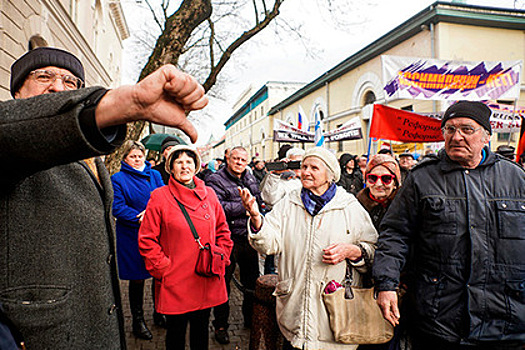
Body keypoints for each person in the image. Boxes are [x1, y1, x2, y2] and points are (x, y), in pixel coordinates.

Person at [0, 46, 207, 349]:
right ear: (17, 94)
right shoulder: (11, 149)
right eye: (43, 76)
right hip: (39, 336)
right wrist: (124, 103)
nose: (58, 87)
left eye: (71, 83)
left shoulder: (93, 161)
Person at [373, 101, 525, 350]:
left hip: (507, 322)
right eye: (450, 129)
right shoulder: (422, 178)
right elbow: (395, 235)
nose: (456, 137)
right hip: (439, 320)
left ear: (486, 136)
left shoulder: (516, 178)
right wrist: (386, 284)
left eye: (467, 129)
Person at [239, 147, 377, 350]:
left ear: (330, 175)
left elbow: (373, 249)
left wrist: (352, 251)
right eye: (304, 166)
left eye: (314, 167)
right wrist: (257, 218)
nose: (306, 172)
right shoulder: (289, 203)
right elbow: (269, 243)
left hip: (335, 316)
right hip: (295, 313)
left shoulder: (349, 206)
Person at [138, 145, 233, 350]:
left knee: (201, 332)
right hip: (176, 279)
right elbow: (147, 239)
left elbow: (223, 230)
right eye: (178, 162)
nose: (184, 166)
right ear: (170, 168)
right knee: (176, 335)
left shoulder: (209, 194)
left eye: (189, 161)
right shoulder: (160, 196)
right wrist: (163, 267)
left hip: (205, 276)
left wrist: (222, 256)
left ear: (196, 166)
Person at [206, 146, 263, 344]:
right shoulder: (214, 179)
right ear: (228, 159)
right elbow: (216, 208)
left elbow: (259, 201)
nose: (239, 162)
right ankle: (220, 325)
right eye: (236, 158)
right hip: (226, 239)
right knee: (223, 285)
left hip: (247, 237)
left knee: (251, 282)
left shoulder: (250, 176)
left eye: (243, 160)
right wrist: (245, 207)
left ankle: (250, 319)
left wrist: (254, 209)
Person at [111, 140, 164, 340]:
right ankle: (137, 320)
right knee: (137, 279)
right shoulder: (118, 178)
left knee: (160, 274)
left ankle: (160, 312)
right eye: (132, 156)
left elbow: (162, 197)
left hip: (157, 233)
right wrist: (139, 216)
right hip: (132, 234)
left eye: (140, 156)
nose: (137, 159)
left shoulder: (155, 175)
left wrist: (153, 214)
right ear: (125, 158)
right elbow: (117, 206)